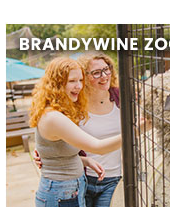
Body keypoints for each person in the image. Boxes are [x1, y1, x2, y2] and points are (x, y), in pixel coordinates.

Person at [29, 57, 122, 207]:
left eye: (80, 80)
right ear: (57, 83)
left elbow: (58, 149)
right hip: (62, 193)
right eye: (72, 81)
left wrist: (86, 161)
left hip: (76, 187)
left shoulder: (68, 108)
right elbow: (97, 146)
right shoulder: (55, 116)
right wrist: (135, 131)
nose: (78, 86)